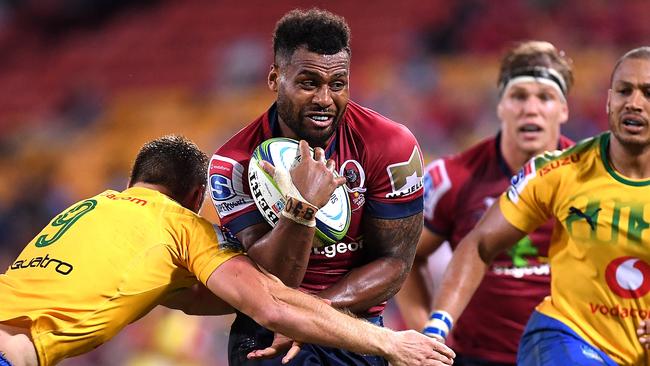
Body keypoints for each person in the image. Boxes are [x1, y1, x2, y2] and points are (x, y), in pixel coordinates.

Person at [0, 135, 455, 366]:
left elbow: (194, 297)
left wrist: (271, 293)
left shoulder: (90, 208)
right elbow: (271, 305)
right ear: (198, 195)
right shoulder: (177, 224)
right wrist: (388, 340)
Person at [208, 8, 426, 365]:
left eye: (337, 84)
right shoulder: (232, 164)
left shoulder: (392, 146)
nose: (325, 99)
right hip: (265, 332)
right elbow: (269, 278)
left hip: (355, 327)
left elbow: (394, 263)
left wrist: (312, 317)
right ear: (275, 79)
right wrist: (302, 207)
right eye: (309, 83)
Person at [430, 46, 650, 365]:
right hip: (566, 337)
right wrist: (435, 329)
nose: (634, 103)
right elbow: (478, 244)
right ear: (608, 100)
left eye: (648, 92)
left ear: (563, 109)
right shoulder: (560, 171)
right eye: (624, 91)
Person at [395, 41, 574, 365]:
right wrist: (427, 337)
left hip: (569, 355)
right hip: (476, 357)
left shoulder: (591, 176)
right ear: (501, 105)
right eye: (518, 96)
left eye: (545, 97)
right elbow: (404, 259)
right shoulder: (453, 177)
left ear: (563, 109)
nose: (530, 109)